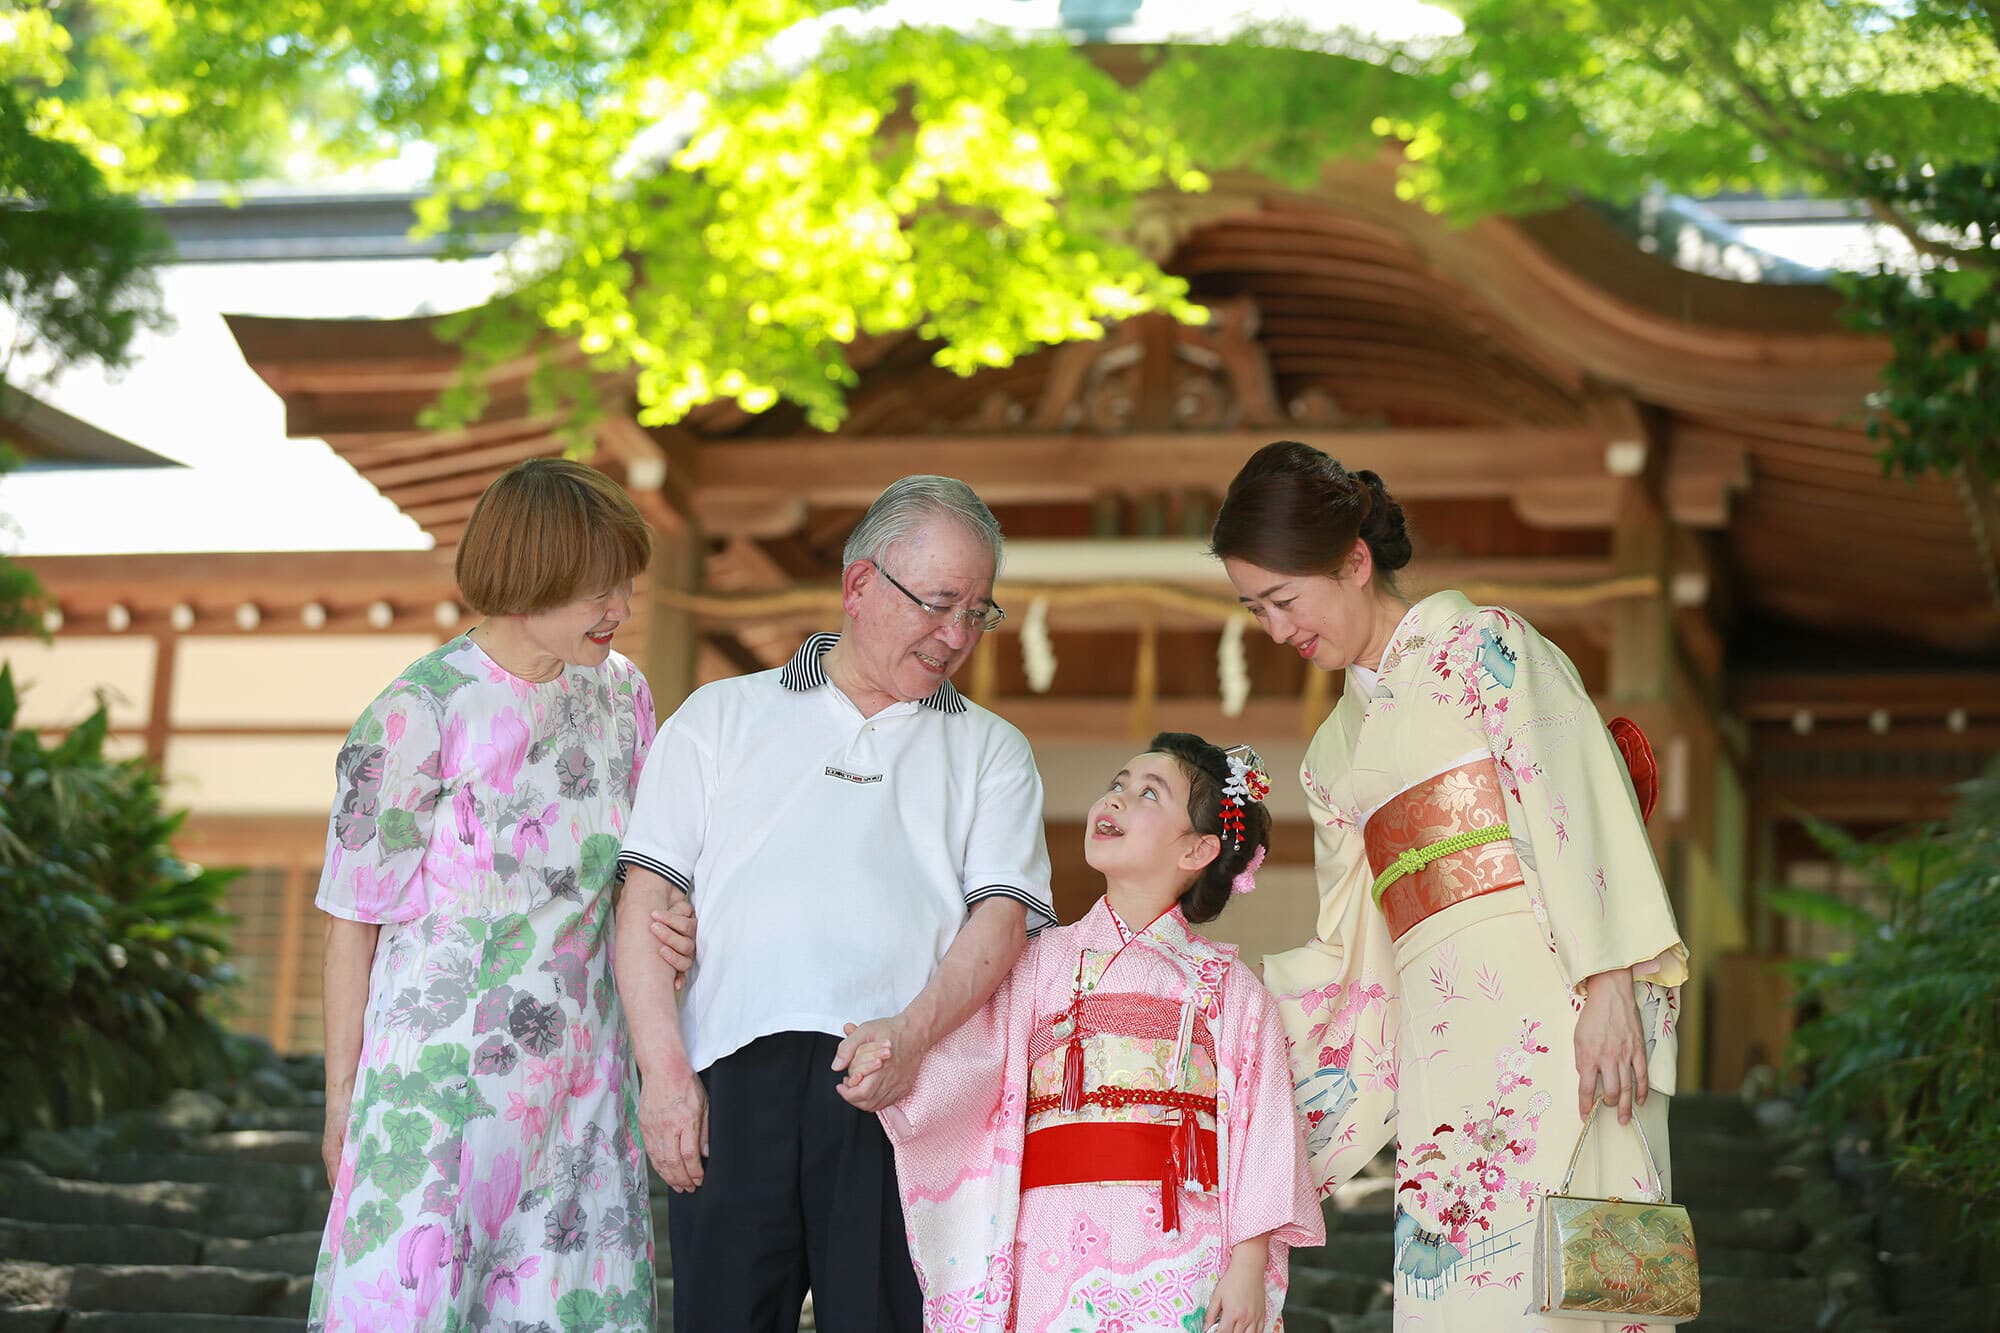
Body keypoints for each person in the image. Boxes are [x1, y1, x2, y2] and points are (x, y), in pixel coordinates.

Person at [1211, 441, 1688, 1329]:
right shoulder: (1333, 755)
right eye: (1255, 608)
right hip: (1444, 1053)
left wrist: (1613, 982)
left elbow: (1574, 809)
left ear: (1354, 561)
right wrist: (1222, 1010)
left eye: (1283, 600)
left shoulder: (1486, 647)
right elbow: (1352, 957)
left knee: (1588, 1285)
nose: (1276, 630)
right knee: (1464, 1293)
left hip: (1567, 1015)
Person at [612, 475, 1054, 1333]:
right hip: (732, 1076)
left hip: (901, 1087)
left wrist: (912, 1034)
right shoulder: (720, 715)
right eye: (938, 603)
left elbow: (1001, 922)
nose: (956, 633)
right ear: (860, 586)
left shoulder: (993, 748)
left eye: (978, 611)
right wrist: (663, 1073)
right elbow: (647, 899)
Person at [309, 458, 660, 1333]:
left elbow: (641, 882)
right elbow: (352, 922)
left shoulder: (625, 699)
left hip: (585, 1075)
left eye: (624, 582)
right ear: (528, 575)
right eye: (597, 587)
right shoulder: (418, 711)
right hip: (440, 1086)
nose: (620, 607)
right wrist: (342, 1100)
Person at [867, 733, 1325, 1333]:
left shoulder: (1229, 987)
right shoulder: (1034, 962)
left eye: (1147, 794)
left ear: (1197, 851)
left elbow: (1262, 1132)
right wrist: (897, 1053)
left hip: (1182, 1246)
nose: (1116, 799)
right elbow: (973, 1066)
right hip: (1052, 1240)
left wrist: (1248, 1262)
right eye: (1117, 783)